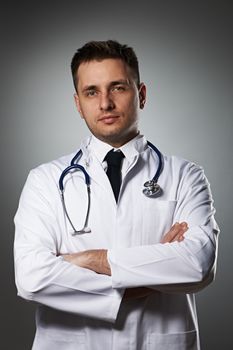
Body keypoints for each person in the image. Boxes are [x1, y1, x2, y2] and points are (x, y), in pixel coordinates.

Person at [14, 40, 219, 350]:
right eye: (91, 92)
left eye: (118, 88)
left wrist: (89, 260)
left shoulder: (185, 176)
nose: (105, 103)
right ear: (78, 104)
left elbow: (198, 265)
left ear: (142, 95)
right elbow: (31, 277)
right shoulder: (44, 180)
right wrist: (144, 278)